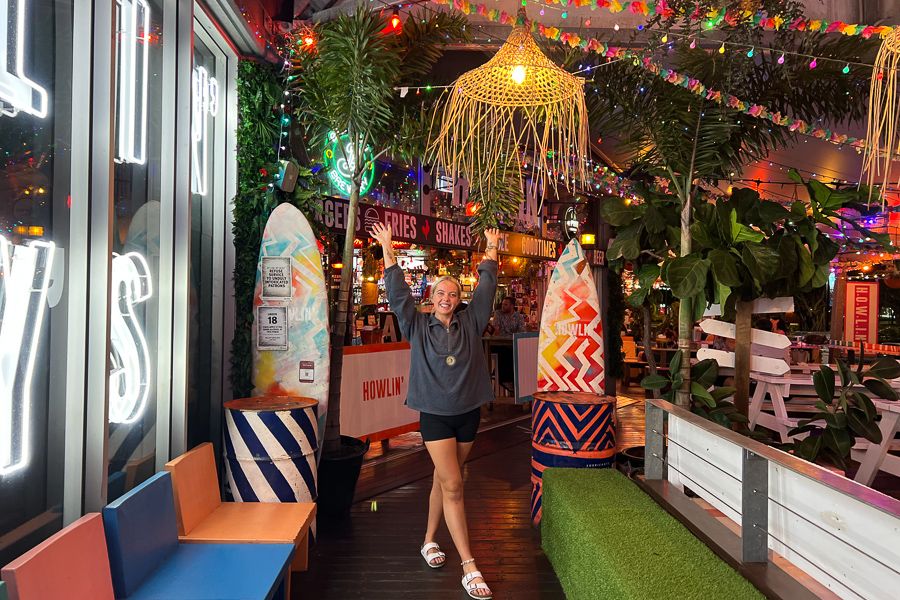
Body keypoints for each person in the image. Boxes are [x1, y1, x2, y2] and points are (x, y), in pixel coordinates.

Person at [372, 221, 498, 600]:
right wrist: (388, 250)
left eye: (453, 292)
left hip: (468, 414)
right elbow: (396, 295)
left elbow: (487, 292)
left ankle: (429, 540)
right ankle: (469, 565)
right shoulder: (416, 324)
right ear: (430, 296)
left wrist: (492, 249)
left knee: (444, 479)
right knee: (455, 485)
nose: (446, 297)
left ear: (461, 298)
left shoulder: (472, 322)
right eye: (440, 292)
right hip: (435, 416)